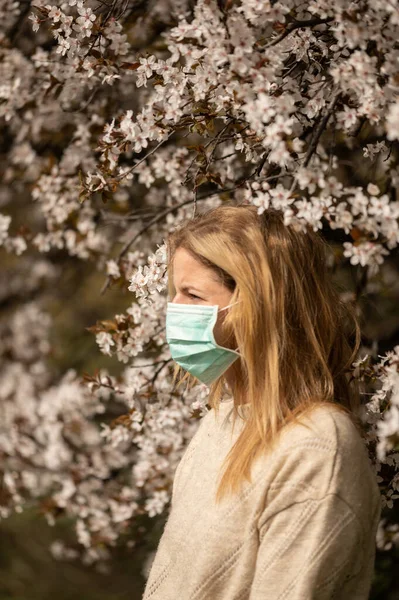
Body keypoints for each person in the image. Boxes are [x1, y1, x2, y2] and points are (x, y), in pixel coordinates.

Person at [142, 204, 382, 600]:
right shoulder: (222, 422)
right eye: (175, 292)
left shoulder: (318, 449)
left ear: (256, 306)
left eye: (193, 294)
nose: (175, 309)